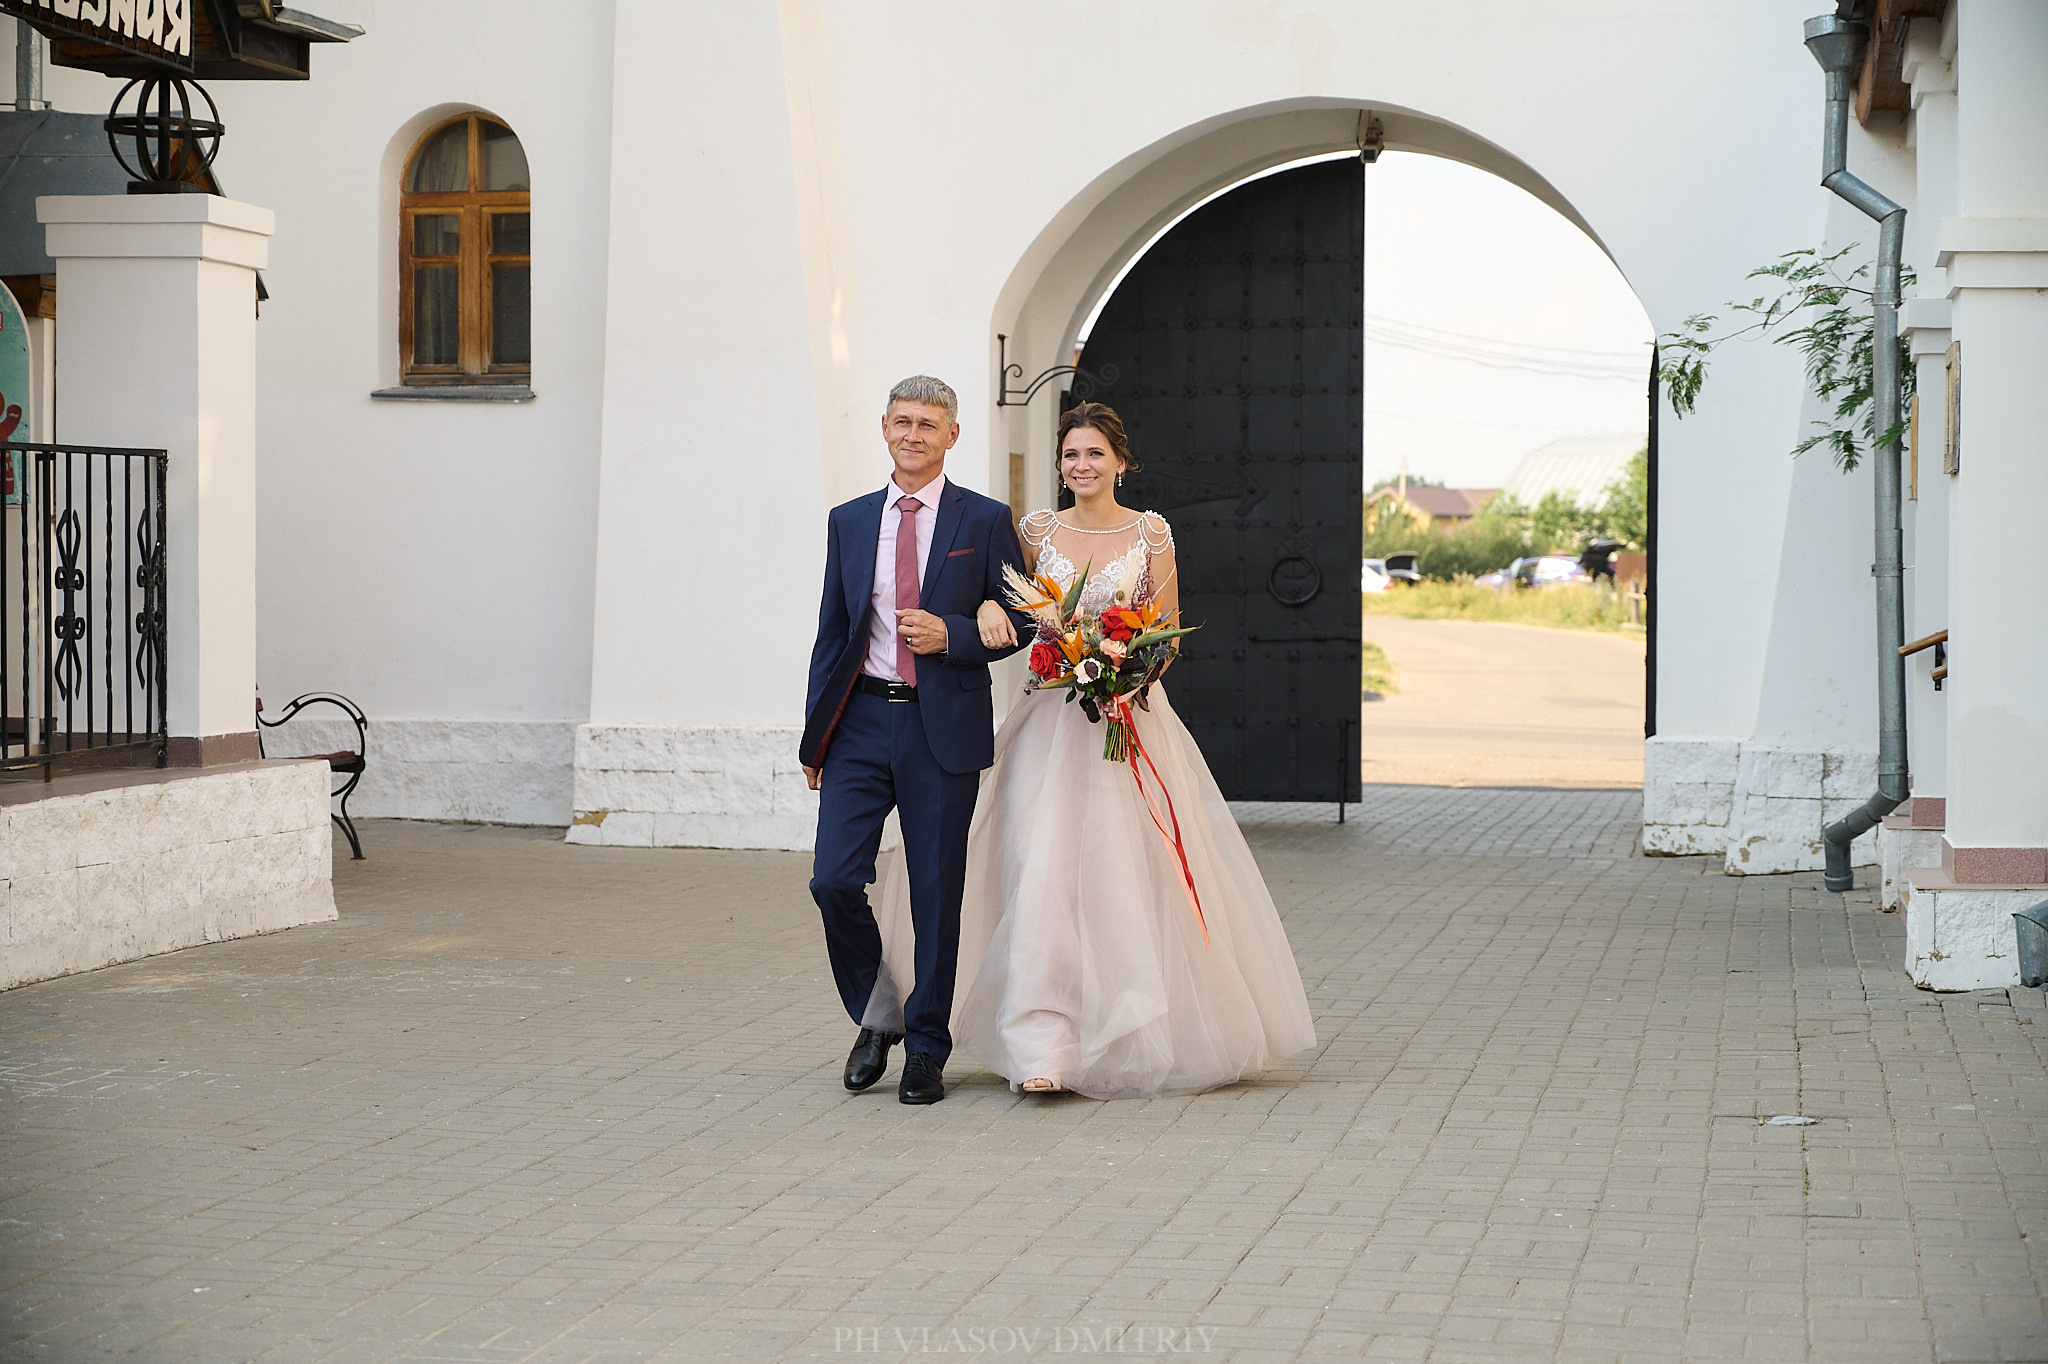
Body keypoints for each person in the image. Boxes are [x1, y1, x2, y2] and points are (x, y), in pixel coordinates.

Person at [861, 401, 1316, 1098]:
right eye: (1071, 455)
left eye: (1094, 454)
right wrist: (998, 621)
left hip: (1129, 718)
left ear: (1121, 462)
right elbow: (1009, 610)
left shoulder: (1152, 532)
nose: (1081, 466)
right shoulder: (1036, 530)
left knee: (1126, 877)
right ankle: (1043, 1044)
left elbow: (1163, 630)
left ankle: (1127, 1033)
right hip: (1049, 720)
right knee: (1040, 871)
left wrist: (1124, 678)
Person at [800, 375, 1032, 1106]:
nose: (913, 433)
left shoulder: (986, 519)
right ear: (884, 427)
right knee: (833, 879)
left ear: (952, 436)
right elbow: (832, 636)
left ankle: (928, 1048)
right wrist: (816, 740)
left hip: (942, 729)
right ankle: (878, 1016)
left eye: (929, 424)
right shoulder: (848, 520)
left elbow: (1025, 618)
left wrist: (954, 635)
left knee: (937, 893)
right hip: (861, 724)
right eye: (902, 421)